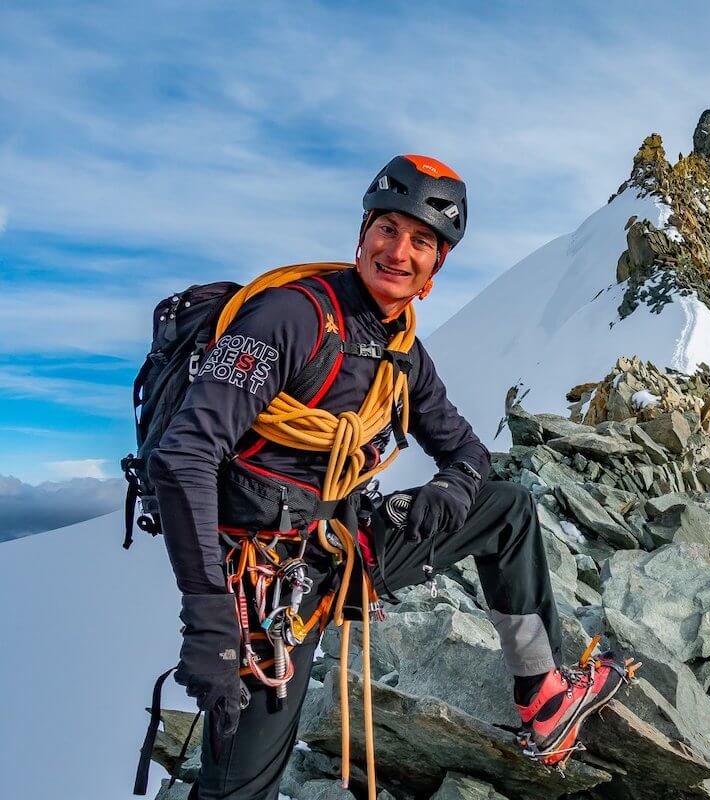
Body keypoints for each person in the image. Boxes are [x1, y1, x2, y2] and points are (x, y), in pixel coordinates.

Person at [148, 155, 631, 800]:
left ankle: (541, 690)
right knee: (238, 784)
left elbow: (467, 452)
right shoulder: (288, 319)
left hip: (339, 547)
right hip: (259, 585)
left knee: (505, 509)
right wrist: (207, 619)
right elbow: (184, 458)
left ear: (437, 265)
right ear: (364, 232)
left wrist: (450, 489)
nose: (399, 251)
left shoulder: (402, 351)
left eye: (421, 241)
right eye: (388, 229)